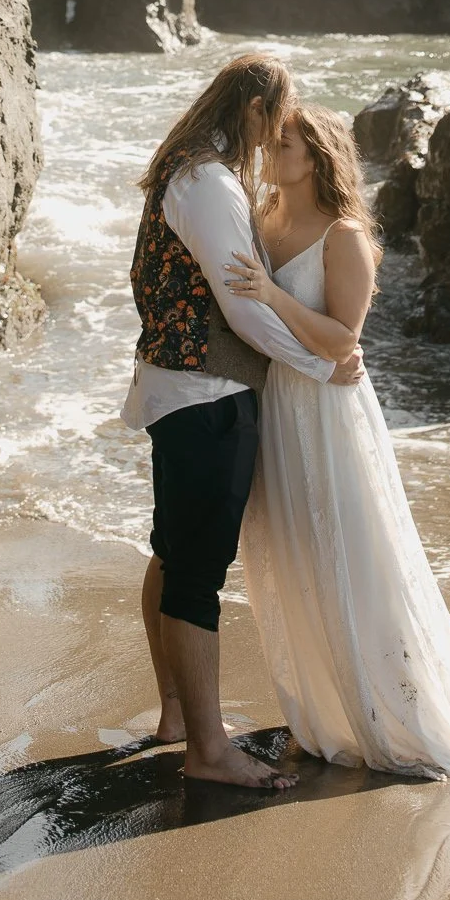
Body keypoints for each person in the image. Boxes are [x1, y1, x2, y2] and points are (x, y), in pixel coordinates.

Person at [225, 105, 450, 779]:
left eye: (286, 142)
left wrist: (274, 301)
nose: (271, 150)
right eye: (271, 140)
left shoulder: (344, 236)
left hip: (326, 413)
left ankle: (382, 707)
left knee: (350, 551)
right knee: (290, 553)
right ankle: (320, 710)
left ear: (320, 154)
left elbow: (343, 342)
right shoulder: (259, 217)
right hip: (273, 404)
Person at [121, 53, 364, 791]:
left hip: (181, 388)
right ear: (255, 111)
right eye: (276, 121)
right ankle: (208, 750)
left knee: (172, 553)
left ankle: (174, 715)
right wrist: (322, 365)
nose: (273, 140)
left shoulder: (189, 173)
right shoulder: (210, 183)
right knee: (195, 573)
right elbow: (244, 309)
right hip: (206, 395)